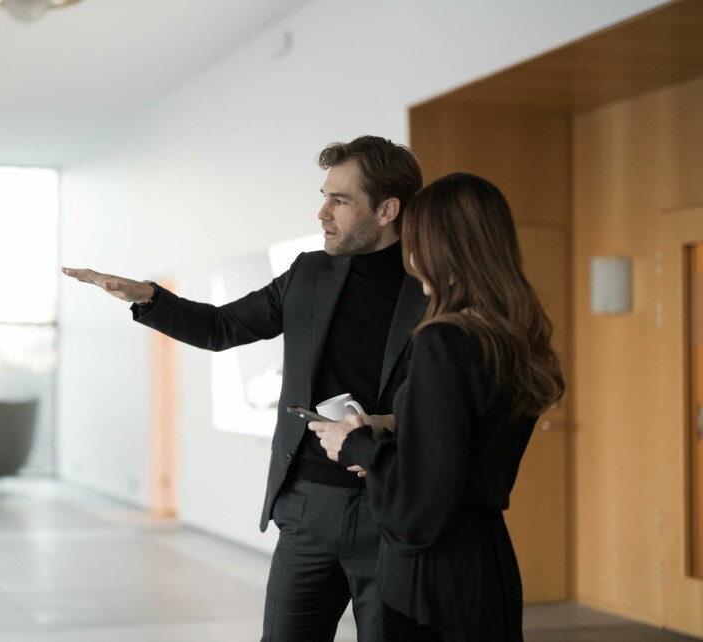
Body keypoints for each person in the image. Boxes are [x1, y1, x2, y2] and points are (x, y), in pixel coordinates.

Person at [61, 135, 427, 641]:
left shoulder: (434, 287)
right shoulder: (308, 273)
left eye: (340, 201)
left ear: (387, 209)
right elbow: (220, 327)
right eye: (325, 196)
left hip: (393, 507)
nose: (323, 212)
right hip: (305, 505)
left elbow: (447, 401)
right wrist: (148, 296)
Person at [309, 172, 565, 642]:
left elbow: (420, 508)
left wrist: (356, 445)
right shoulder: (514, 336)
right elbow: (464, 444)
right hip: (489, 565)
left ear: (435, 245)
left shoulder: (444, 340)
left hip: (434, 579)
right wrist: (392, 432)